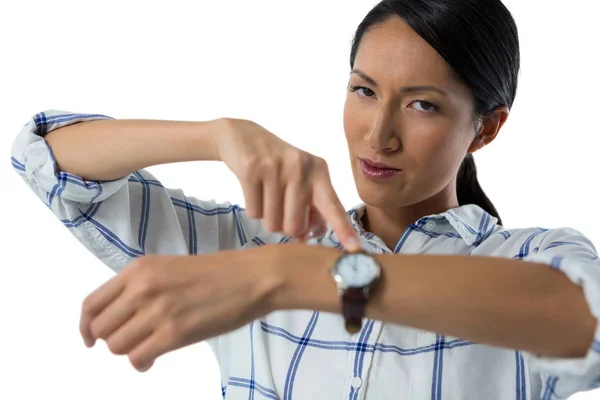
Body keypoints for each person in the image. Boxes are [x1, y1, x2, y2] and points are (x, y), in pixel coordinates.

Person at [10, 0, 600, 398]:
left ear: (486, 128)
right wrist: (216, 135)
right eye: (364, 91)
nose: (378, 135)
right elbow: (49, 160)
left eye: (423, 104)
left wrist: (290, 275)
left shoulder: (528, 260)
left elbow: (586, 322)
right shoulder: (251, 247)